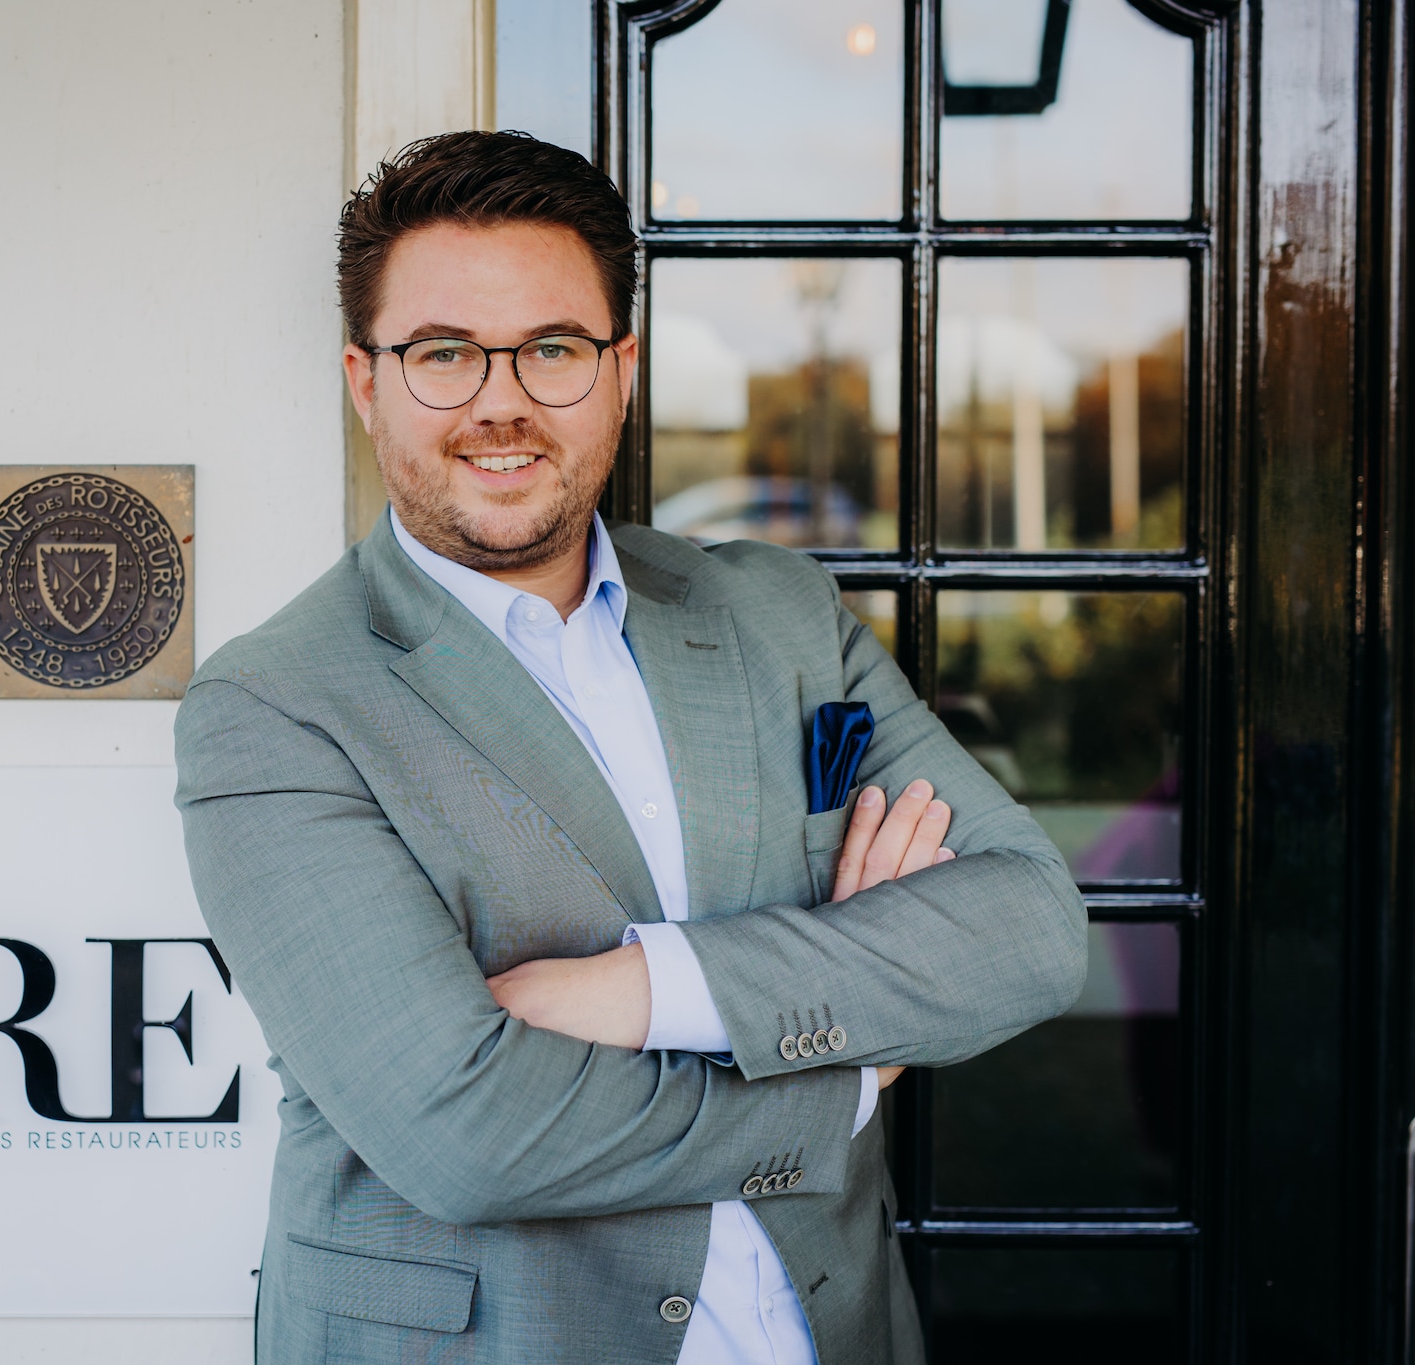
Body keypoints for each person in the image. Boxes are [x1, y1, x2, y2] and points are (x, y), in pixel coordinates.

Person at [174, 131, 1086, 1365]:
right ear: (363, 378)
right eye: (442, 354)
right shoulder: (274, 704)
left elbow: (1026, 928)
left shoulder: (778, 614)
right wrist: (842, 1071)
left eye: (550, 349)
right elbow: (464, 1130)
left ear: (621, 369)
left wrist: (642, 989)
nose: (499, 401)